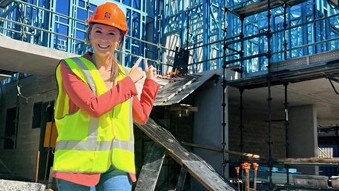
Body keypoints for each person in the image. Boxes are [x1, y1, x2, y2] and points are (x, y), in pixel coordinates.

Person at [52, 2, 159, 191]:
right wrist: (130, 82)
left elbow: (141, 117)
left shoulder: (123, 78)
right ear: (90, 35)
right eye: (98, 31)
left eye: (111, 33)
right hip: (77, 165)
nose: (104, 38)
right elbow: (95, 108)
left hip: (116, 166)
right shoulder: (71, 68)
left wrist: (150, 84)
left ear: (119, 40)